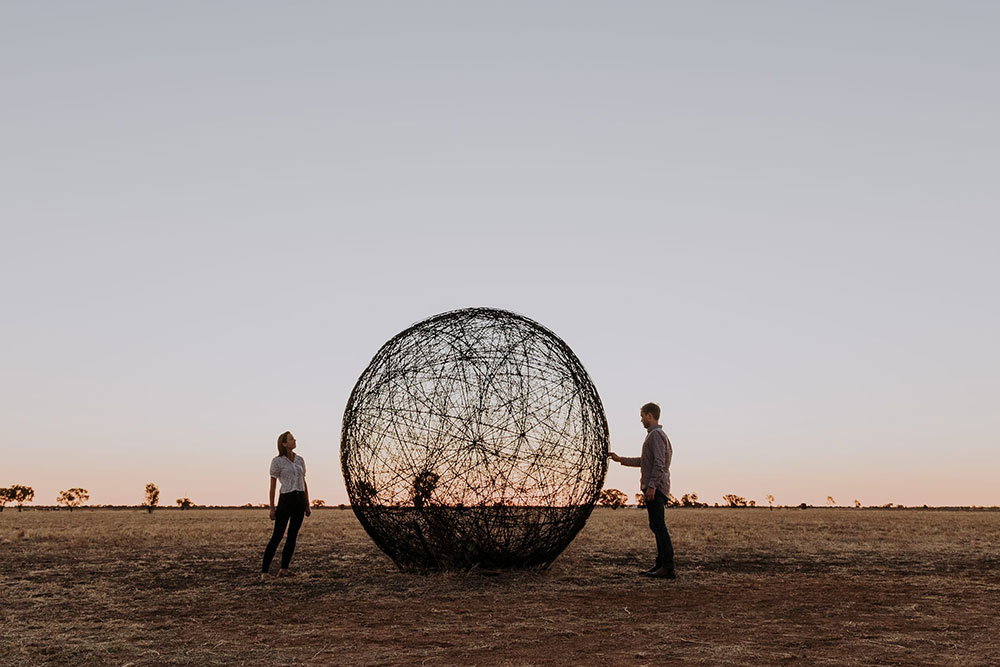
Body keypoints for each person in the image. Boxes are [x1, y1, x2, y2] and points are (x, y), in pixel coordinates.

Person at [609, 402, 676, 579]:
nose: (640, 420)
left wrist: (652, 485)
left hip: (656, 488)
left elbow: (659, 463)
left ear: (649, 415)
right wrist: (620, 459)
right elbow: (645, 461)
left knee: (659, 526)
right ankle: (661, 564)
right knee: (655, 525)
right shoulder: (655, 436)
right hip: (656, 486)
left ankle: (668, 567)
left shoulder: (656, 435)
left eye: (642, 416)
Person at [261, 431, 311, 581]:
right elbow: (273, 486)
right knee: (277, 536)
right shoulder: (277, 461)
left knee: (292, 536)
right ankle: (264, 572)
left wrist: (307, 504)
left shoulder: (300, 460)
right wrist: (272, 507)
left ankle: (284, 569)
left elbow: (304, 481)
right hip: (286, 500)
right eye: (291, 439)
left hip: (299, 499)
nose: (294, 440)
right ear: (284, 443)